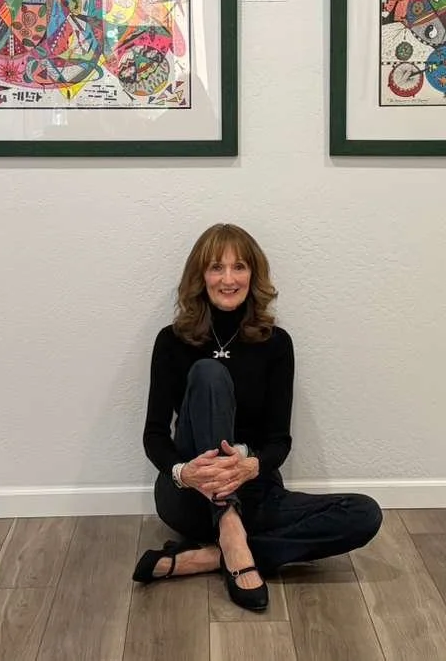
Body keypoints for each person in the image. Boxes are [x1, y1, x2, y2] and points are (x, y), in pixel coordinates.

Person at [132, 222, 382, 612]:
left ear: (254, 275)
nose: (228, 279)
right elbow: (154, 436)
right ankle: (229, 528)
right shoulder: (172, 340)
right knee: (209, 372)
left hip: (254, 487)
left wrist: (249, 468)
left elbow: (279, 441)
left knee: (364, 514)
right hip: (188, 495)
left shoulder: (276, 344)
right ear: (200, 276)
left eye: (239, 267)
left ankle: (211, 557)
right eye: (216, 267)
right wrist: (184, 473)